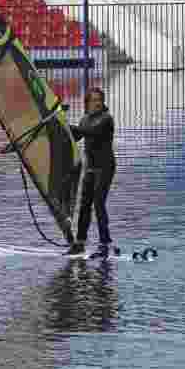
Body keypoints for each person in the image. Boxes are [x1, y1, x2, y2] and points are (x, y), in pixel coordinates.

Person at [66, 87, 117, 259]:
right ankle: (80, 243)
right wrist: (60, 128)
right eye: (93, 100)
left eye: (99, 100)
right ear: (87, 103)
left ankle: (105, 243)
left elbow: (91, 132)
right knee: (84, 205)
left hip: (105, 168)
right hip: (90, 169)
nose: (96, 103)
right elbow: (77, 136)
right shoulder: (85, 119)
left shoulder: (106, 119)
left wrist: (69, 126)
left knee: (98, 203)